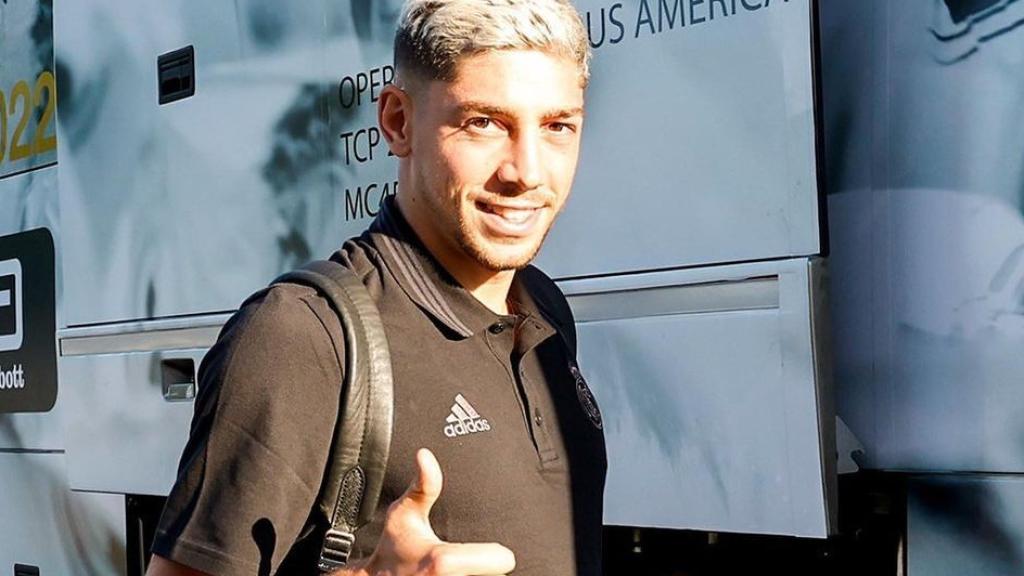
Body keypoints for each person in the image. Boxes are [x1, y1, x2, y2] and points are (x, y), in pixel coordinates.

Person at [147, 0, 606, 574]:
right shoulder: (301, 335)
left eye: (558, 126)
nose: (527, 172)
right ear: (397, 122)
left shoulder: (545, 308)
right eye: (484, 123)